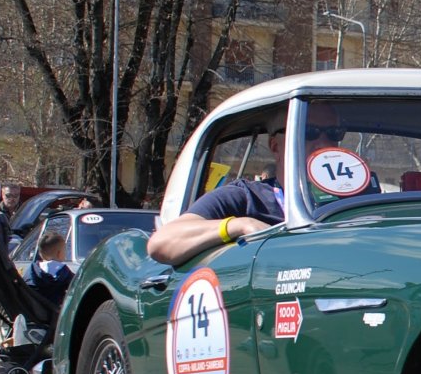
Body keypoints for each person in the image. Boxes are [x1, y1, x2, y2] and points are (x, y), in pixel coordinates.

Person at [146, 103, 345, 264]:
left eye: (334, 133)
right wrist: (240, 225)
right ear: (276, 146)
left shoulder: (354, 200)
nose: (324, 143)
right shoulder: (246, 198)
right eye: (308, 132)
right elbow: (162, 243)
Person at [24, 230, 74, 307]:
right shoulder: (63, 271)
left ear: (40, 253)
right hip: (55, 312)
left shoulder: (31, 271)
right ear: (59, 253)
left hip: (35, 311)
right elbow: (75, 286)